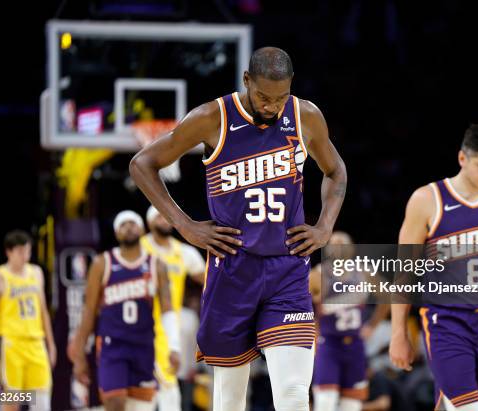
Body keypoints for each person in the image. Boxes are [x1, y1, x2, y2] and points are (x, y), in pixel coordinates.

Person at [130, 47, 347, 411]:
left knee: (293, 395)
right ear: (246, 81)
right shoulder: (212, 117)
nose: (272, 107)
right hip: (233, 268)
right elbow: (143, 163)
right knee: (230, 397)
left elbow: (336, 170)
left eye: (280, 97)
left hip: (287, 269)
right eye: (263, 96)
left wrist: (324, 226)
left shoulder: (305, 115)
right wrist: (186, 226)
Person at [389, 123, 478, 411]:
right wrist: (398, 333)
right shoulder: (427, 199)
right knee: (466, 407)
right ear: (462, 159)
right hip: (446, 321)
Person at [68, 211, 179, 411]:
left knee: (141, 406)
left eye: (133, 223)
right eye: (123, 225)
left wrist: (175, 346)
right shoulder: (103, 263)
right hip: (113, 346)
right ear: (117, 234)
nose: (128, 227)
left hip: (144, 346)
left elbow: (168, 310)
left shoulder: (156, 265)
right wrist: (79, 355)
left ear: (142, 229)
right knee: (114, 402)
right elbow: (89, 311)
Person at [309, 231, 389, 411]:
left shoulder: (363, 271)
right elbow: (302, 307)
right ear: (328, 248)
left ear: (351, 248)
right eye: (334, 242)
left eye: (342, 242)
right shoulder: (317, 274)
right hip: (329, 344)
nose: (338, 246)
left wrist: (372, 326)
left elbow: (387, 296)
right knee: (325, 402)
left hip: (356, 345)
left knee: (352, 404)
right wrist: (313, 331)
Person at [0, 230, 56, 411]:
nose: (26, 256)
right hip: (11, 346)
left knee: (42, 402)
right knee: (11, 403)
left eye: (28, 251)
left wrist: (51, 344)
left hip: (36, 345)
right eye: (21, 252)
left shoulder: (36, 272)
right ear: (9, 252)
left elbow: (44, 312)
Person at [141, 206, 205, 411]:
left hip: (168, 328)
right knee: (141, 390)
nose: (165, 219)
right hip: (140, 327)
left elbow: (210, 282)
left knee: (170, 389)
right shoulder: (139, 248)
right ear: (149, 221)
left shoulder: (184, 252)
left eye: (167, 214)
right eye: (159, 215)